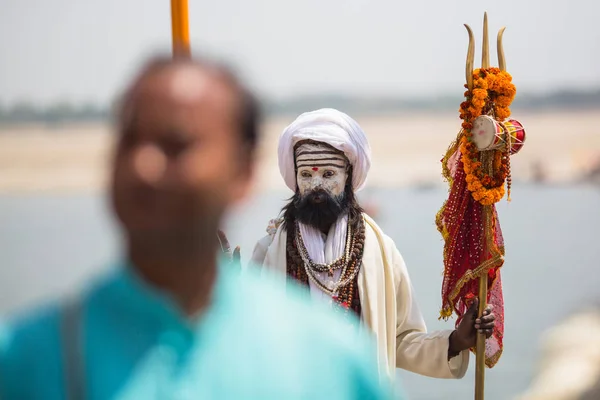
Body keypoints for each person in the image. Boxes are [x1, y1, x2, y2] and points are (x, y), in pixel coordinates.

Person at [0, 58, 393, 399]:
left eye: (177, 144)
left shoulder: (331, 357)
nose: (144, 166)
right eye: (131, 140)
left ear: (242, 173)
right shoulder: (28, 356)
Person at [246, 108, 496, 381]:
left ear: (349, 177)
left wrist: (456, 341)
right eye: (306, 175)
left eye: (328, 174)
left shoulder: (380, 252)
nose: (316, 185)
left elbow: (400, 340)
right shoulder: (270, 252)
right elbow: (246, 340)